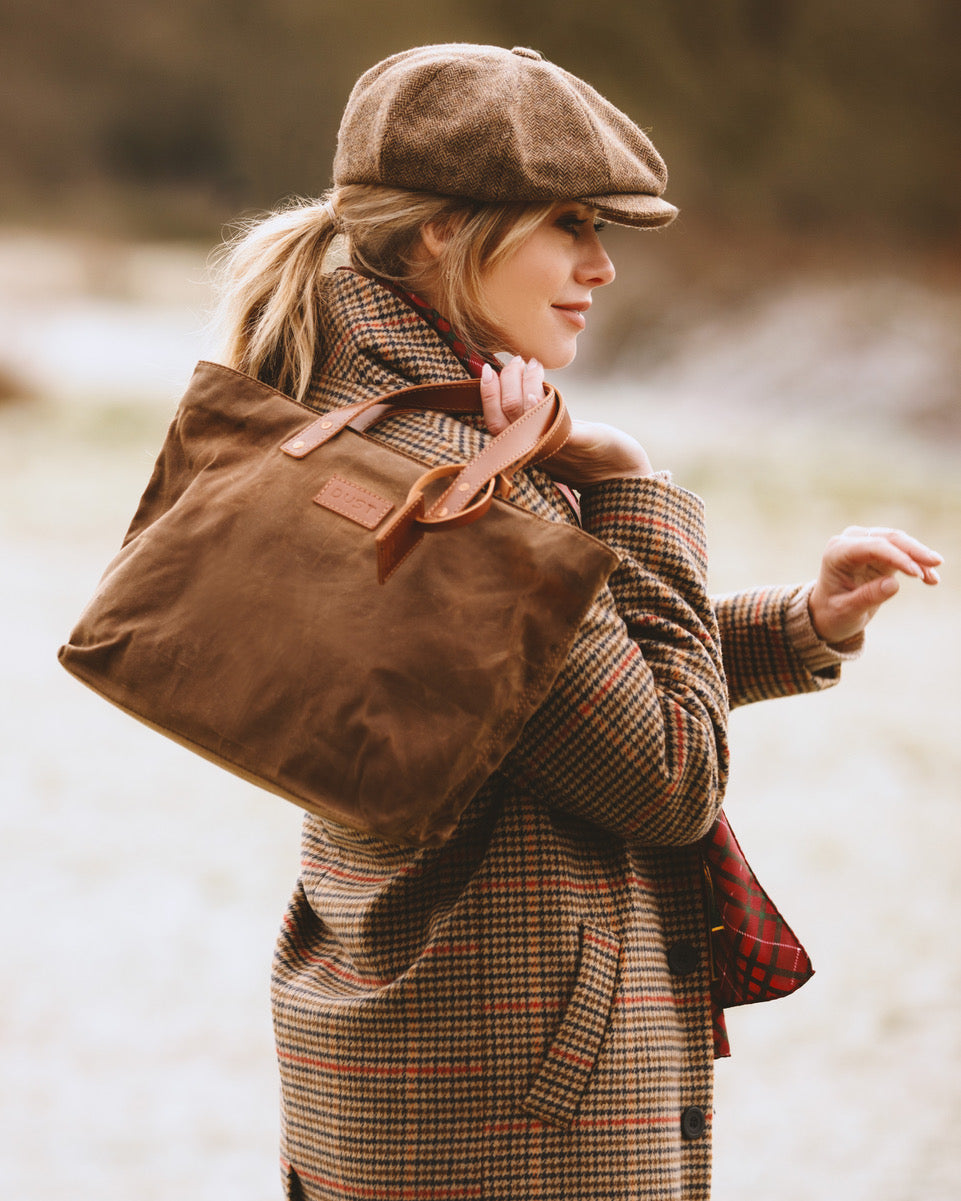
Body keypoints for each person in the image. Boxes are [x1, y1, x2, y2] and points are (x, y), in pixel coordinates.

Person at [211, 44, 942, 1201]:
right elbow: (666, 771)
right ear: (447, 233)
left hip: (418, 1066)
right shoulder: (448, 480)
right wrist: (632, 484)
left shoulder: (356, 420)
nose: (601, 267)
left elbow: (535, 695)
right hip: (510, 1116)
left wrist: (798, 624)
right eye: (570, 225)